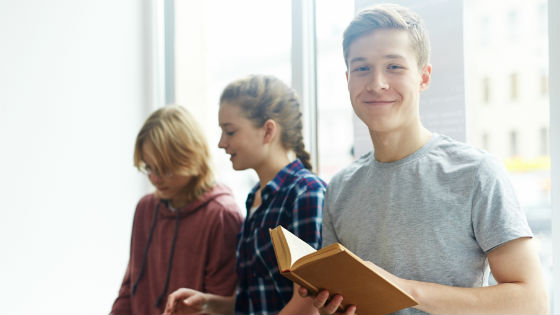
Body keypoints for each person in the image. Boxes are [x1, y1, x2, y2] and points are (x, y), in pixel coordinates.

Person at [299, 3, 549, 315]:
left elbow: (533, 301)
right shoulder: (339, 187)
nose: (376, 83)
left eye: (394, 66)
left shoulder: (476, 172)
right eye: (362, 68)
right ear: (348, 78)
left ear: (424, 77)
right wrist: (328, 304)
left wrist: (404, 290)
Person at [164, 74, 326, 315]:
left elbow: (308, 304)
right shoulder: (255, 198)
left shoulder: (306, 194)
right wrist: (208, 304)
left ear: (268, 131)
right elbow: (255, 302)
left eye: (230, 132)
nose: (221, 143)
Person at [110, 105, 243, 315]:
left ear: (190, 157)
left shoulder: (222, 215)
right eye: (149, 168)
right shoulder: (145, 209)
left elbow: (221, 302)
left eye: (165, 168)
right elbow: (129, 289)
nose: (155, 178)